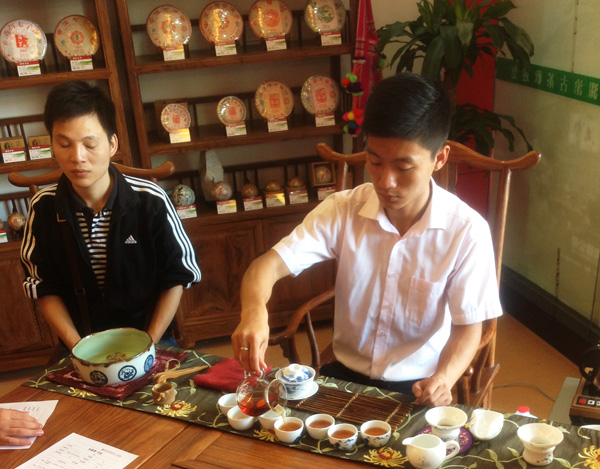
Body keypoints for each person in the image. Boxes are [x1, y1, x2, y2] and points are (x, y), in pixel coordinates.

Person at [232, 72, 502, 407]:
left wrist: (444, 379)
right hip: (343, 375)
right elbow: (267, 266)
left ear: (440, 158)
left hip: (417, 386)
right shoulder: (344, 209)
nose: (385, 181)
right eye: (374, 162)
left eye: (403, 168)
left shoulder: (466, 231)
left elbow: (468, 326)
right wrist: (253, 311)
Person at [20, 81, 201, 351]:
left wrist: (147, 345)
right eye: (64, 144)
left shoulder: (150, 199)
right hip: (79, 344)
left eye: (90, 144)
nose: (77, 157)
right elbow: (44, 287)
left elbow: (177, 275)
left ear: (112, 144)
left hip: (151, 338)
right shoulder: (43, 207)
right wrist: (80, 349)